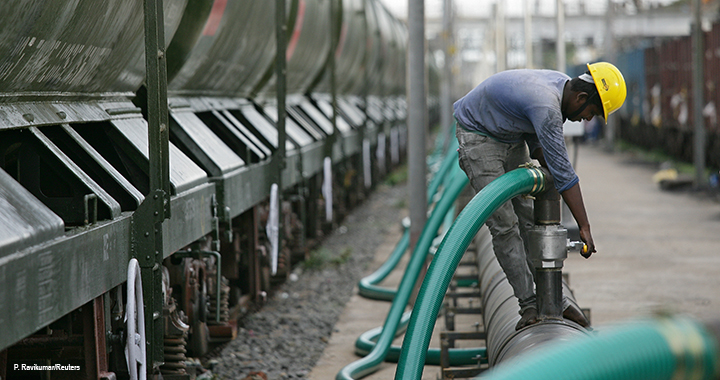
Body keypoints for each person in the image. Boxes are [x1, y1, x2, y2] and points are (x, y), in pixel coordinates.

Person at [453, 62, 626, 330]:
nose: (587, 120)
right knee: (504, 226)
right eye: (591, 112)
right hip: (479, 135)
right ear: (580, 97)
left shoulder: (560, 86)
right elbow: (564, 172)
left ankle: (552, 298)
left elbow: (542, 146)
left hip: (511, 135)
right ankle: (529, 305)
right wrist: (584, 226)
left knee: (531, 219)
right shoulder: (546, 105)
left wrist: (544, 160)